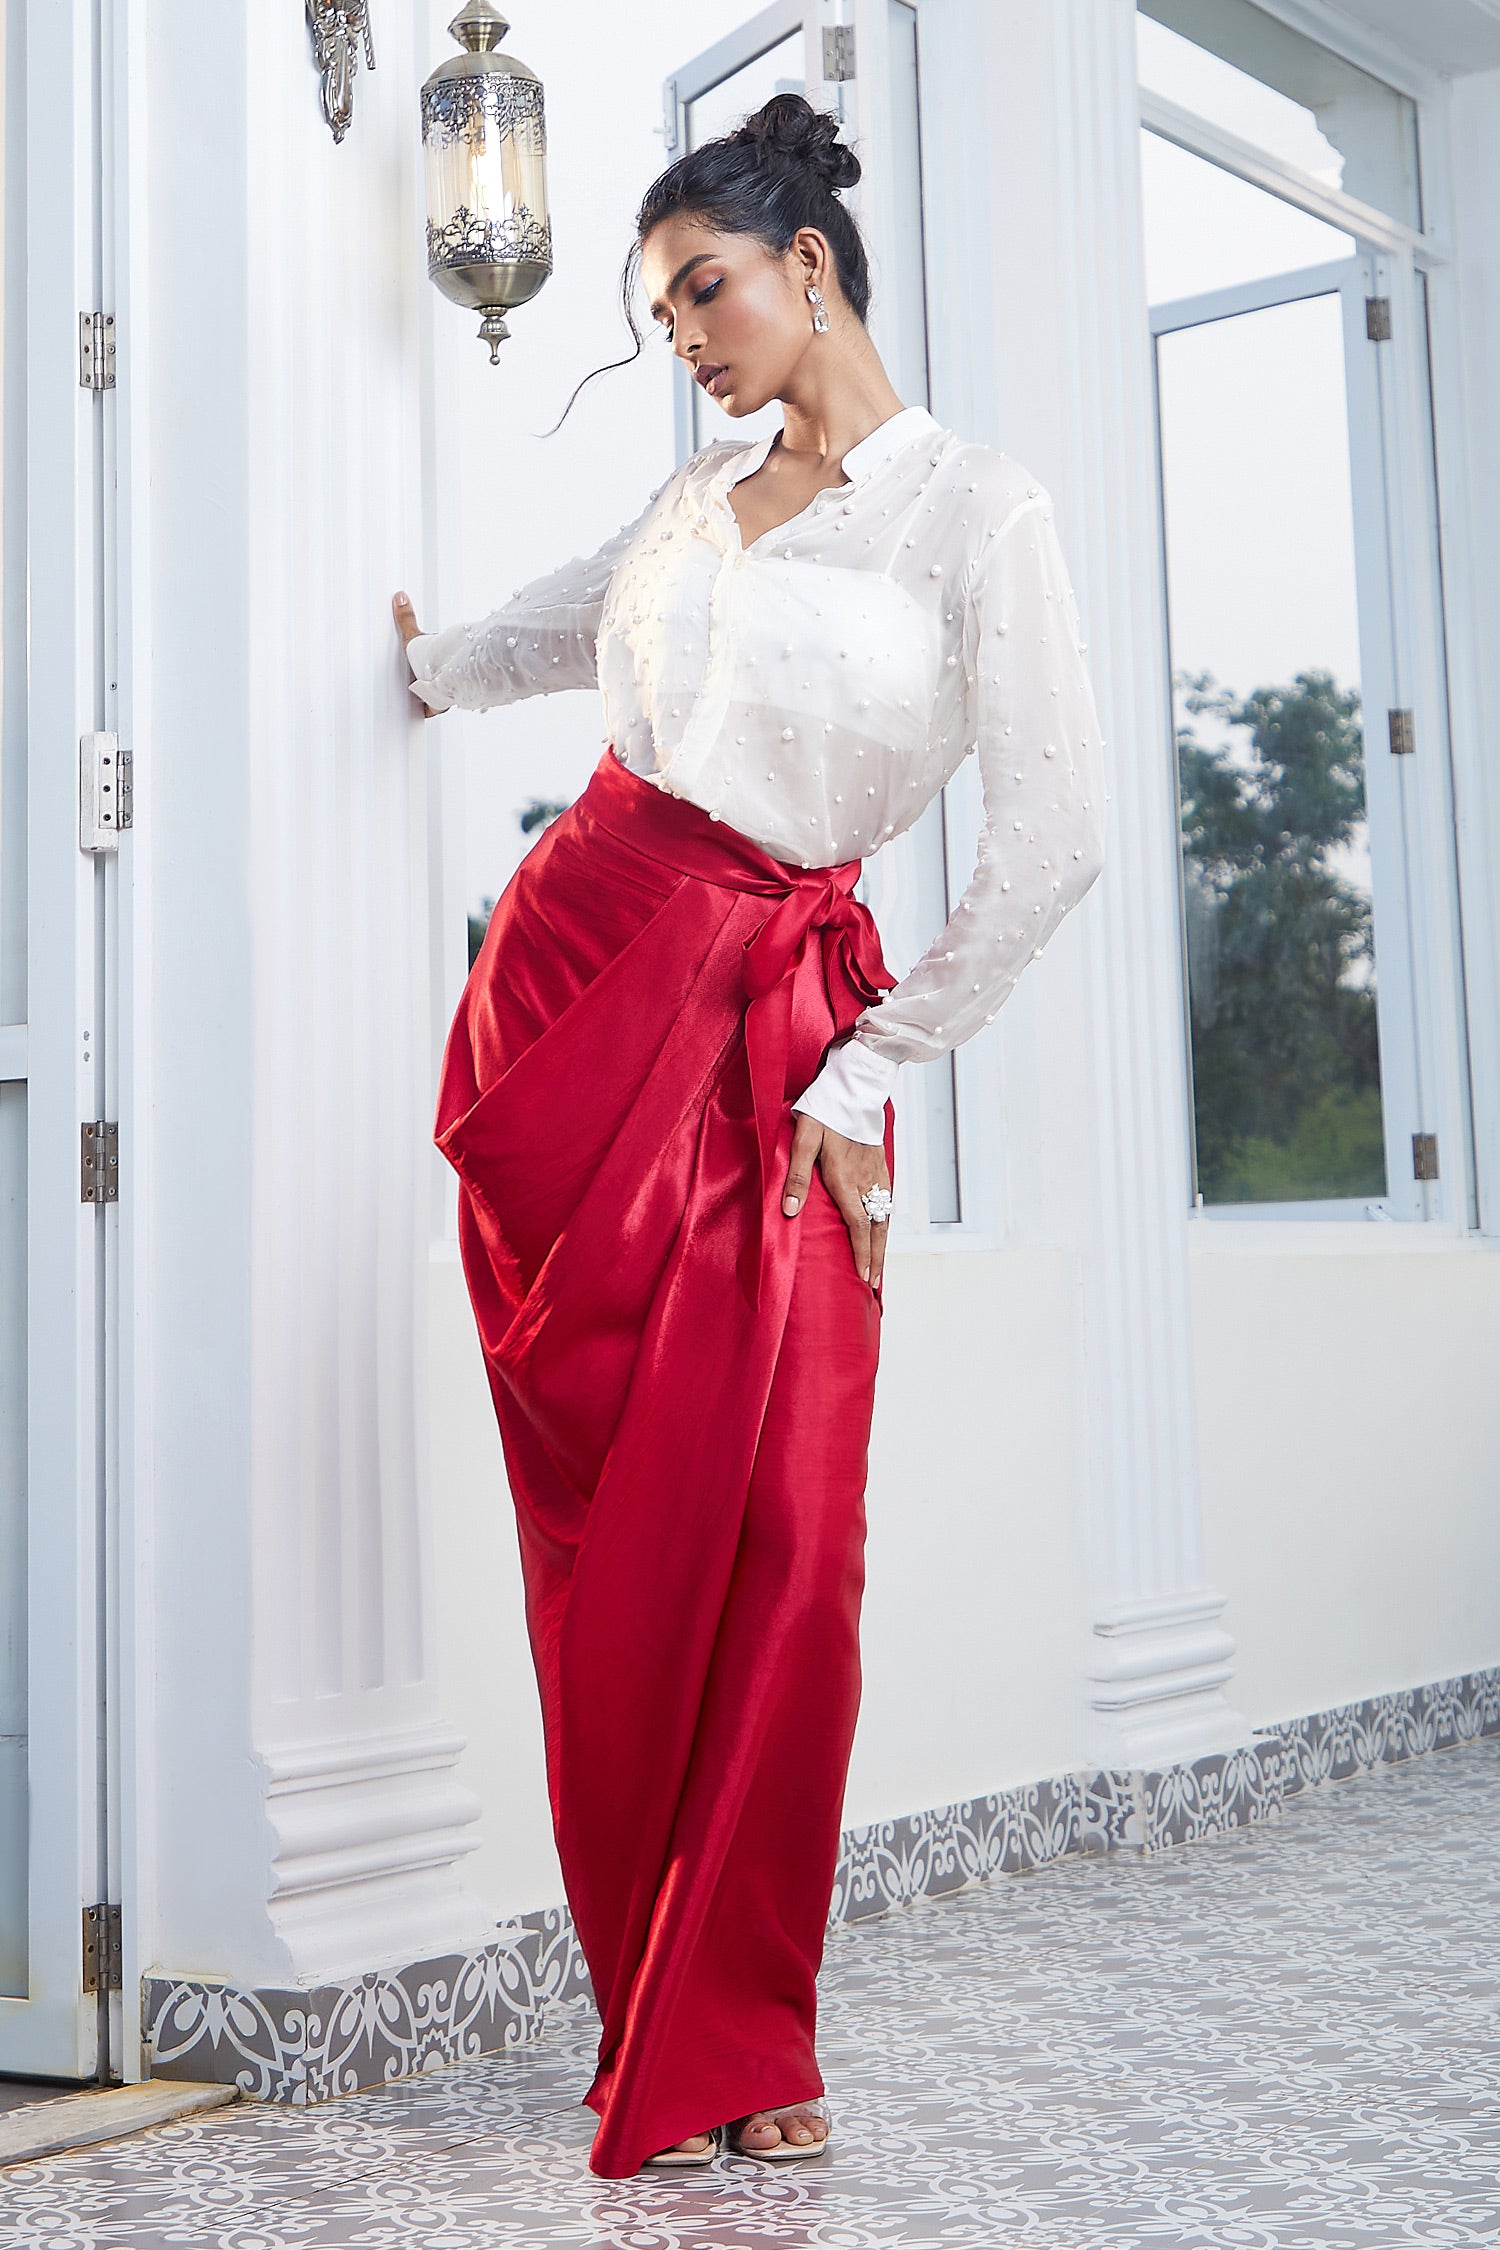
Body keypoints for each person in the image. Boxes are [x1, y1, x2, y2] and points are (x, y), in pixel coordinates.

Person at [392, 91, 1106, 2181]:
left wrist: (868, 1067)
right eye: (659, 305)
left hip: (783, 1034)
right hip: (570, 990)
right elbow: (549, 638)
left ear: (811, 265)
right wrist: (419, 671)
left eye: (703, 287)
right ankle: (650, 2004)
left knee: (785, 1546)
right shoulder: (699, 499)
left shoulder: (979, 515)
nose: (686, 332)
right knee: (600, 1545)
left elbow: (1059, 837)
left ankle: (742, 2018)